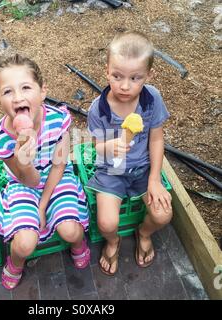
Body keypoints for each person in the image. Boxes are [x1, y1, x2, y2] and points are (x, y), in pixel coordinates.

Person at [0, 54, 90, 290]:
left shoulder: (58, 119)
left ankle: (78, 244)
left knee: (71, 231)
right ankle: (15, 263)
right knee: (24, 244)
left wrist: (42, 207)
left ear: (42, 92)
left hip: (57, 178)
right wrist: (23, 160)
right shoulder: (2, 139)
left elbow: (60, 164)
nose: (18, 97)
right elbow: (28, 180)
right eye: (8, 91)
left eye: (26, 88)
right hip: (24, 184)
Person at [86, 31, 173, 276]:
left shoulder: (152, 99)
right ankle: (113, 241)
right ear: (107, 71)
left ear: (148, 76)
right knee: (106, 223)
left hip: (143, 170)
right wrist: (109, 146)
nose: (125, 85)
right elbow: (96, 147)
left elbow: (156, 138)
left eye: (135, 78)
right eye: (117, 76)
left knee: (163, 214)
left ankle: (143, 233)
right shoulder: (99, 109)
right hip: (111, 170)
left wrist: (155, 179)